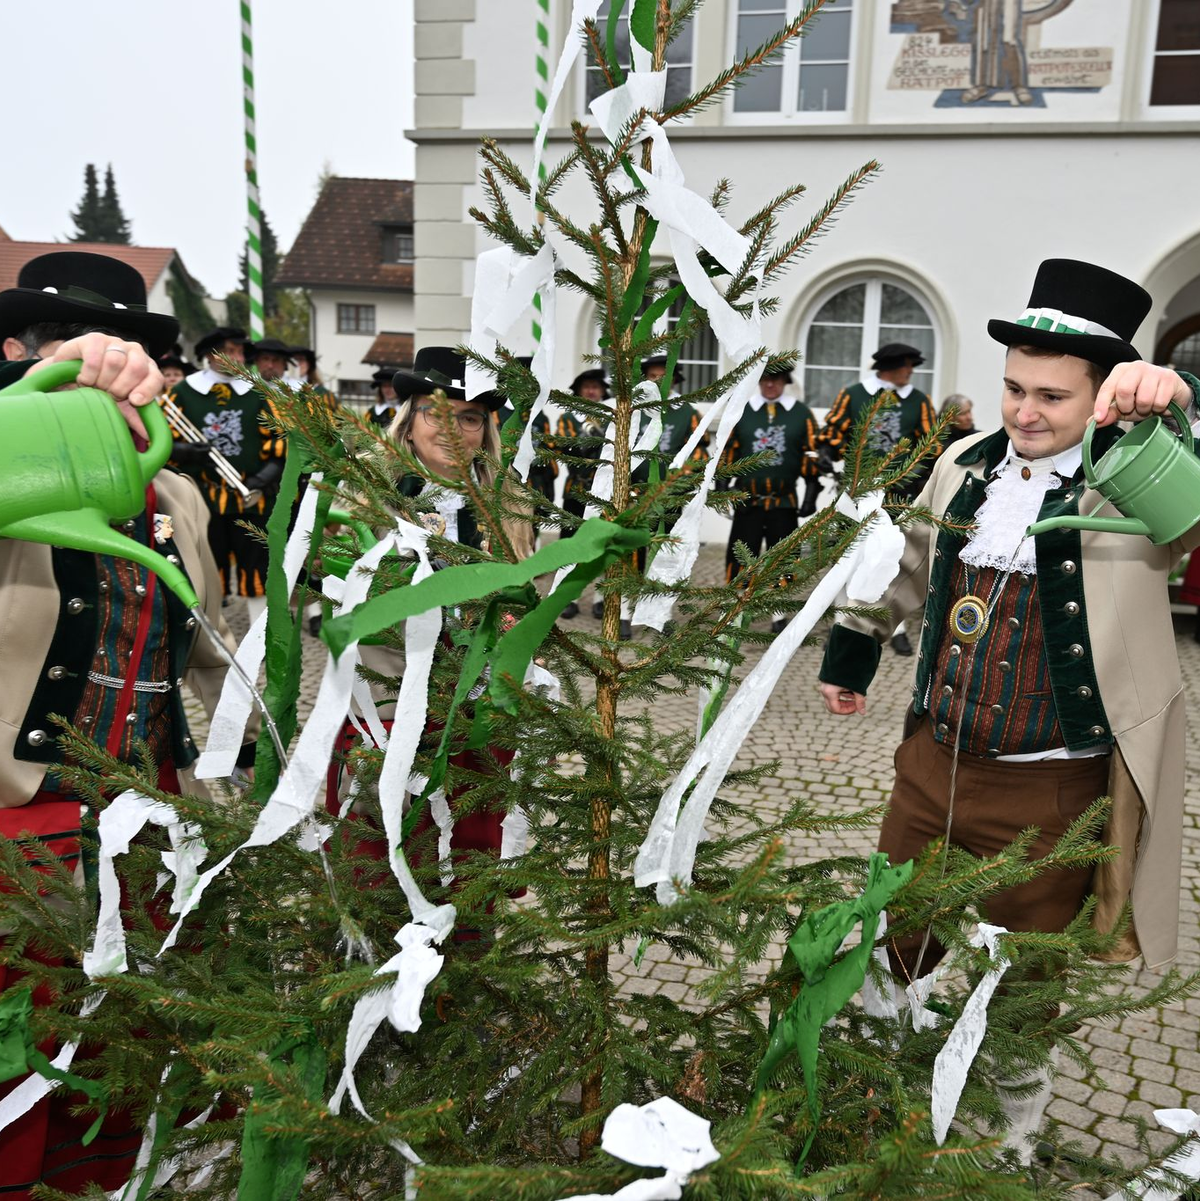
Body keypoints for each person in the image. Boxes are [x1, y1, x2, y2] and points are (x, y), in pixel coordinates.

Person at [816, 258, 1200, 1156]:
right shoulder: (964, 463)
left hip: (1052, 791)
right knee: (887, 947)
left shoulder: (1141, 476)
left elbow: (1192, 513)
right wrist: (853, 648)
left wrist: (1182, 406)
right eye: (1014, 388)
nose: (1025, 412)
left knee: (1023, 985)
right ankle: (874, 1097)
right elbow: (910, 560)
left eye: (1054, 397)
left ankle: (1015, 1140)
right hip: (932, 767)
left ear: (1106, 397)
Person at [0, 250, 251, 1200]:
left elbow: (207, 649)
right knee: (18, 1079)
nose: (103, 367)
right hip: (18, 844)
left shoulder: (177, 495)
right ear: (19, 352)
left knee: (112, 1079)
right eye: (70, 346)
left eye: (124, 350)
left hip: (140, 836)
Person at [326, 347, 533, 934]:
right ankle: (384, 957)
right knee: (388, 828)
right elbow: (329, 587)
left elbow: (525, 589)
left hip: (481, 701)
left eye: (470, 417)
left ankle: (467, 959)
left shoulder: (508, 498)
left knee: (474, 829)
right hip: (391, 695)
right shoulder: (366, 492)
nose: (453, 429)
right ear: (409, 419)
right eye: (437, 413)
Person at [818, 342, 936, 656]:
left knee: (895, 558)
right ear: (891, 366)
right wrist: (828, 454)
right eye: (908, 364)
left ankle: (895, 627)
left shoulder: (919, 402)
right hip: (856, 493)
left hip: (899, 495)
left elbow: (931, 445)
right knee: (848, 556)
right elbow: (832, 432)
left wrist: (918, 479)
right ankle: (840, 624)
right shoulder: (854, 395)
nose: (911, 371)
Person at [166, 327, 286, 620]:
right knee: (205, 562)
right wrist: (185, 452)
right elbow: (161, 439)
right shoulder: (181, 393)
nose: (237, 358)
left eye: (240, 352)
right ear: (210, 354)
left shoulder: (258, 391)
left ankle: (261, 631)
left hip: (252, 497)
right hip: (202, 496)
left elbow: (280, 440)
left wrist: (263, 479)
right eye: (229, 351)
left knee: (257, 561)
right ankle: (208, 631)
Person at [722, 367, 819, 634]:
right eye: (765, 379)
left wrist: (812, 490)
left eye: (775, 379)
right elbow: (729, 448)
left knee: (784, 557)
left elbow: (811, 452)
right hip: (748, 499)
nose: (770, 385)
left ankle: (778, 613)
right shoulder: (743, 411)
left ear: (784, 381)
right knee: (741, 553)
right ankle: (736, 609)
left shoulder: (801, 414)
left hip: (783, 501)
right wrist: (721, 484)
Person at [555, 367, 609, 619]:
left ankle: (601, 599)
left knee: (602, 546)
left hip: (605, 492)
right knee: (571, 547)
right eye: (586, 387)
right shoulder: (567, 419)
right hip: (575, 491)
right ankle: (569, 598)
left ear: (602, 392)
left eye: (595, 387)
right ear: (578, 391)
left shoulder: (612, 418)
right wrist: (591, 444)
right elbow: (566, 449)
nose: (590, 391)